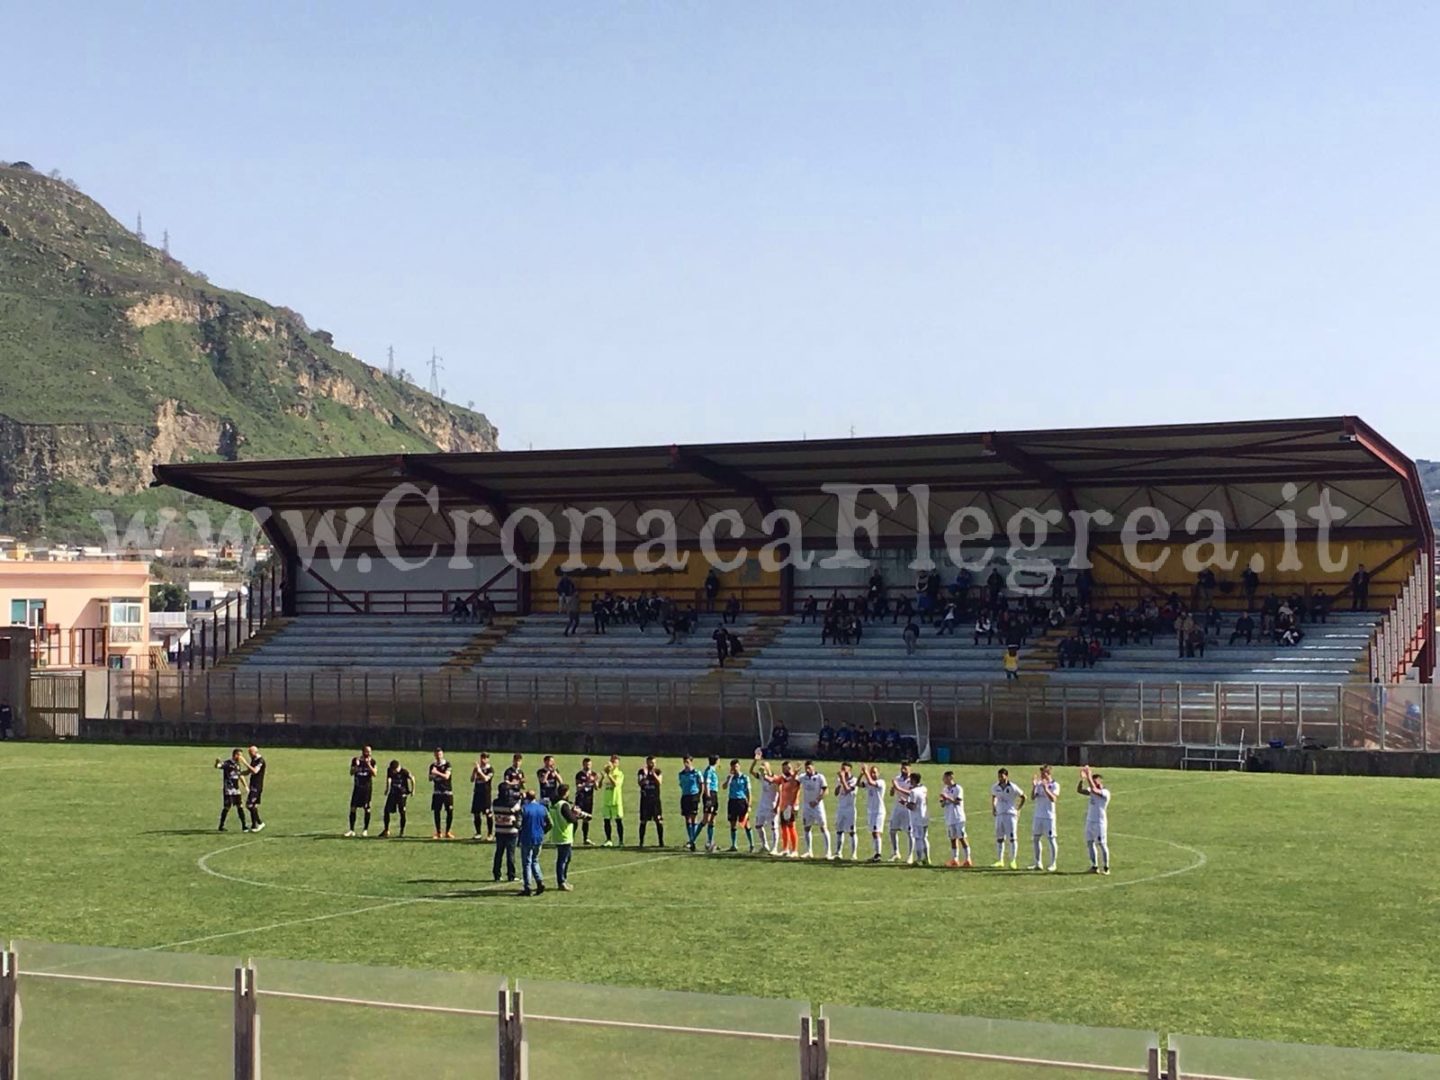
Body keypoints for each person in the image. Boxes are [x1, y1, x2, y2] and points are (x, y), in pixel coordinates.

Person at [549, 782, 587, 891]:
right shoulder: (563, 805)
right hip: (564, 835)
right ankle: (561, 881)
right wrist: (576, 814)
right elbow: (571, 819)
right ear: (565, 793)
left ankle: (563, 880)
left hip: (557, 833)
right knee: (563, 859)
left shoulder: (554, 804)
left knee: (566, 858)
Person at [1077, 765, 1111, 874]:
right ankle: (1094, 866)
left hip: (1100, 822)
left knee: (1102, 844)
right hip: (1090, 821)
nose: (1095, 783)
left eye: (1097, 781)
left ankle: (1106, 867)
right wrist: (1082, 779)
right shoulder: (1092, 789)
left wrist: (1089, 776)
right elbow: (1079, 790)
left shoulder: (1105, 793)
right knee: (1090, 843)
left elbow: (1096, 791)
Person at [990, 767, 1026, 869]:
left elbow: (1023, 797)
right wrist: (993, 807)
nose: (1000, 778)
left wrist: (1018, 809)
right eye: (999, 776)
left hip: (1010, 815)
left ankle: (1013, 860)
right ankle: (1000, 860)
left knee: (1012, 838)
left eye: (1002, 776)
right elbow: (994, 796)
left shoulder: (1013, 787)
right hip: (1000, 815)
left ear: (1006, 776)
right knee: (999, 838)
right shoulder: (995, 787)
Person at [518, 789, 550, 896]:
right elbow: (550, 823)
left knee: (527, 863)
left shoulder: (524, 809)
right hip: (538, 838)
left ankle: (528, 887)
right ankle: (540, 882)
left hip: (527, 838)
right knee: (535, 860)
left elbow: (518, 825)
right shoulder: (543, 808)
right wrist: (543, 831)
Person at [1028, 764, 1060, 872]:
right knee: (1036, 839)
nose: (1041, 775)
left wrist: (1046, 788)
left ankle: (1053, 863)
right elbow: (1032, 797)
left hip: (1049, 817)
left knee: (1051, 839)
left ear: (1048, 773)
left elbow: (1053, 799)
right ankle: (1038, 863)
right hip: (1038, 815)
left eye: (1043, 773)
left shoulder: (1055, 785)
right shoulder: (1039, 784)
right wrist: (1034, 786)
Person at [721, 758, 754, 853]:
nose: (734, 769)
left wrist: (749, 805)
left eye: (736, 766)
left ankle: (751, 844)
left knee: (746, 824)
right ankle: (734, 845)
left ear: (739, 766)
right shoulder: (730, 778)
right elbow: (724, 787)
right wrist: (729, 779)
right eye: (733, 767)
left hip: (742, 802)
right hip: (732, 801)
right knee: (733, 823)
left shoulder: (745, 778)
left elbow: (748, 792)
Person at [939, 771, 971, 868]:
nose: (943, 780)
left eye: (945, 778)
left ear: (950, 778)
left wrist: (947, 798)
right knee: (952, 839)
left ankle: (967, 859)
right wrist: (943, 800)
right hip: (949, 817)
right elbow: (942, 804)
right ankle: (955, 859)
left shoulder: (958, 788)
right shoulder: (945, 789)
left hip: (958, 817)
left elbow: (957, 801)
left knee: (962, 838)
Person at [492, 782, 520, 883]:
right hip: (511, 831)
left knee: (498, 853)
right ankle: (511, 875)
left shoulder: (495, 802)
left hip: (499, 830)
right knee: (510, 854)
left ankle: (497, 874)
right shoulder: (513, 804)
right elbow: (518, 812)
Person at [346, 746, 378, 837]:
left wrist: (368, 765)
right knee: (353, 808)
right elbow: (351, 773)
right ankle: (351, 830)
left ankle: (365, 830)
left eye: (370, 752)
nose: (369, 753)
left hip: (367, 789)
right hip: (357, 788)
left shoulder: (373, 762)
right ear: (363, 752)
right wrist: (356, 765)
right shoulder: (356, 760)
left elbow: (375, 773)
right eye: (367, 752)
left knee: (367, 808)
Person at [213, 748, 247, 832]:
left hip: (236, 790)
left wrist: (245, 786)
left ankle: (244, 825)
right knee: (227, 807)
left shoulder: (238, 764)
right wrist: (217, 762)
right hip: (228, 790)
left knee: (240, 806)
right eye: (239, 755)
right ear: (235, 755)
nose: (241, 757)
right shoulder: (228, 763)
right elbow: (218, 766)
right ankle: (221, 825)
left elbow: (240, 775)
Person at [750, 752, 778, 853]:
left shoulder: (775, 778)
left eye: (763, 766)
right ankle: (765, 844)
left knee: (773, 827)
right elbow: (751, 771)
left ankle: (774, 847)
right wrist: (755, 761)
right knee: (758, 825)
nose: (761, 768)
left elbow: (778, 789)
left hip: (772, 805)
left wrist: (777, 806)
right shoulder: (762, 777)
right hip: (762, 805)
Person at [380, 759, 414, 838]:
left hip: (402, 794)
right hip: (393, 793)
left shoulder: (404, 771)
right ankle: (386, 830)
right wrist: (387, 789)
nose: (393, 772)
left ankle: (401, 832)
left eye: (394, 770)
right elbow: (389, 779)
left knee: (402, 812)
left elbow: (412, 778)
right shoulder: (390, 770)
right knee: (386, 811)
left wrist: (413, 790)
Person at [774, 762, 802, 858]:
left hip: (791, 806)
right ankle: (785, 849)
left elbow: (795, 784)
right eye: (784, 769)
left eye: (787, 768)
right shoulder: (782, 778)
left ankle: (794, 850)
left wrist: (795, 773)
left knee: (791, 827)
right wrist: (764, 774)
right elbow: (772, 780)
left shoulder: (796, 779)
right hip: (783, 805)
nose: (785, 770)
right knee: (784, 828)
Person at [636, 756, 665, 848]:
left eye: (653, 763)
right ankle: (641, 842)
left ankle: (661, 841)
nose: (652, 764)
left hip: (655, 800)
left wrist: (653, 774)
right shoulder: (641, 771)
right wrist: (645, 776)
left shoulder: (658, 771)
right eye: (650, 763)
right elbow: (640, 783)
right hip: (645, 800)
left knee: (658, 820)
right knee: (643, 821)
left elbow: (659, 782)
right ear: (647, 763)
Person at [860, 764, 887, 862]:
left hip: (879, 811)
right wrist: (861, 774)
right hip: (871, 811)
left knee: (877, 832)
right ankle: (876, 853)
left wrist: (866, 771)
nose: (873, 774)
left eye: (874, 772)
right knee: (873, 833)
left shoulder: (880, 782)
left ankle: (878, 854)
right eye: (872, 772)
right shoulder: (868, 782)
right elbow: (858, 784)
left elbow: (871, 782)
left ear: (878, 773)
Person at [832, 761, 858, 860]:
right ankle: (838, 852)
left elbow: (848, 790)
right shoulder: (840, 779)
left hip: (850, 809)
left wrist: (842, 779)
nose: (842, 770)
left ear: (850, 769)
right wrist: (839, 784)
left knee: (851, 831)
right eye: (842, 768)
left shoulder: (854, 780)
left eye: (845, 768)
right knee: (839, 831)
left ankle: (853, 854)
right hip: (841, 808)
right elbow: (836, 793)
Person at [887, 762, 913, 863]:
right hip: (897, 808)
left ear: (910, 769)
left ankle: (910, 855)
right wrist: (893, 788)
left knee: (909, 832)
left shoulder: (912, 781)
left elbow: (911, 793)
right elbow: (891, 793)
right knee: (892, 830)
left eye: (905, 769)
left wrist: (898, 788)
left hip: (908, 808)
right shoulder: (897, 779)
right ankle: (896, 852)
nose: (903, 771)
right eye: (902, 768)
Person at [678, 755, 703, 851]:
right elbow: (681, 784)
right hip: (685, 796)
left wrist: (699, 795)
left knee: (694, 817)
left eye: (687, 761)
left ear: (691, 762)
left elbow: (701, 784)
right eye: (684, 761)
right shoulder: (681, 774)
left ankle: (693, 839)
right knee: (687, 818)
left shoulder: (697, 773)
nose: (686, 763)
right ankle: (691, 839)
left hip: (694, 796)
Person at [599, 754, 625, 847]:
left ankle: (621, 841)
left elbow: (615, 784)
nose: (612, 763)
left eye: (615, 762)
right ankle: (608, 840)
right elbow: (599, 786)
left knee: (618, 821)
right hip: (607, 800)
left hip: (616, 800)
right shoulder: (606, 772)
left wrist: (609, 774)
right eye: (612, 761)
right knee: (606, 820)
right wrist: (602, 777)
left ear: (618, 764)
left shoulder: (619, 773)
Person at [428, 748, 455, 840]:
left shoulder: (447, 764)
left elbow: (446, 776)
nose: (438, 756)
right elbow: (430, 778)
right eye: (436, 754)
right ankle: (438, 832)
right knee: (436, 812)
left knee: (449, 812)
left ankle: (448, 831)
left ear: (442, 754)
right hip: (437, 792)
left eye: (439, 754)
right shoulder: (432, 765)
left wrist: (436, 773)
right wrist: (433, 774)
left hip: (447, 792)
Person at [905, 771, 930, 866]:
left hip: (917, 818)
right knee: (925, 838)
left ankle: (919, 858)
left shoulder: (913, 792)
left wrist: (905, 803)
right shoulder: (924, 788)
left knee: (918, 838)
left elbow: (913, 807)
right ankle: (927, 858)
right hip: (925, 816)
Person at [574, 757, 599, 846]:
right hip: (580, 798)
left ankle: (586, 838)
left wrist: (595, 781)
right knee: (575, 818)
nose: (588, 766)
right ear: (583, 764)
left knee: (586, 819)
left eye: (589, 764)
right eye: (586, 764)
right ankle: (571, 837)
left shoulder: (594, 774)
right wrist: (587, 782)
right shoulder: (579, 775)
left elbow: (596, 788)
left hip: (589, 799)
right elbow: (578, 787)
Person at [470, 752, 495, 840]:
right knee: (476, 813)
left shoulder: (490, 769)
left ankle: (490, 834)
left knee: (488, 813)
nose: (483, 760)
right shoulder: (477, 769)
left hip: (486, 794)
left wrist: (479, 771)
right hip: (477, 793)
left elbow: (486, 779)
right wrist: (474, 771)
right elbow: (472, 780)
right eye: (482, 758)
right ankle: (478, 833)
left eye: (485, 758)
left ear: (488, 759)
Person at [701, 754, 722, 852]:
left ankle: (710, 841)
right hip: (710, 795)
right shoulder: (709, 771)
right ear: (716, 761)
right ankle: (692, 840)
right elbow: (707, 783)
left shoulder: (712, 770)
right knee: (706, 819)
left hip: (714, 794)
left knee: (712, 819)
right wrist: (708, 796)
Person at [245, 744, 266, 833]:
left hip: (257, 786)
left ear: (255, 752)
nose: (249, 754)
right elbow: (249, 771)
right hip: (253, 785)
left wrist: (245, 763)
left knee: (249, 805)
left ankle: (260, 823)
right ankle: (254, 826)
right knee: (254, 806)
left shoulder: (260, 761)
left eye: (250, 753)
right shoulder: (254, 759)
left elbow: (255, 771)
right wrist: (240, 773)